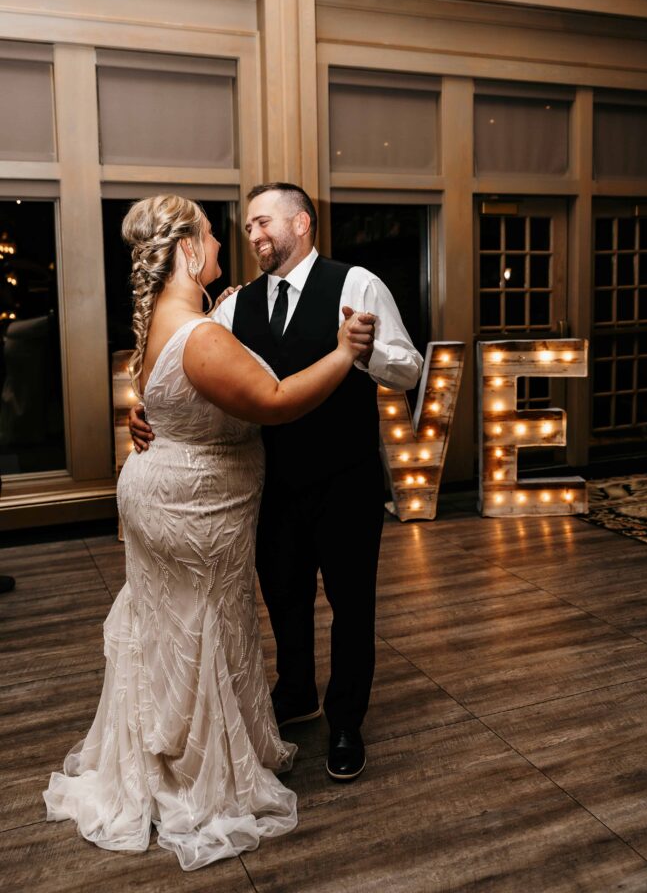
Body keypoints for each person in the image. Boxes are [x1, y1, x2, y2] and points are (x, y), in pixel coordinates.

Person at [44, 194, 374, 871]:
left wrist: (145, 415)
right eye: (214, 238)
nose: (227, 246)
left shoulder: (160, 323)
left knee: (170, 627)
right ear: (187, 251)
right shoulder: (202, 334)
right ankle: (195, 773)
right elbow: (275, 402)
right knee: (205, 628)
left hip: (162, 492)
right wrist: (343, 353)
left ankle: (164, 748)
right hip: (195, 509)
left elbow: (162, 394)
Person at [131, 183, 422, 782]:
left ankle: (345, 721)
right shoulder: (235, 306)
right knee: (283, 598)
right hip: (269, 484)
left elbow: (409, 367)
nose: (255, 237)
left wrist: (365, 355)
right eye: (247, 229)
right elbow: (185, 368)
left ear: (303, 224)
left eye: (265, 224)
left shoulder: (356, 284)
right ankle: (295, 693)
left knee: (351, 604)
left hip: (346, 478)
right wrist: (149, 412)